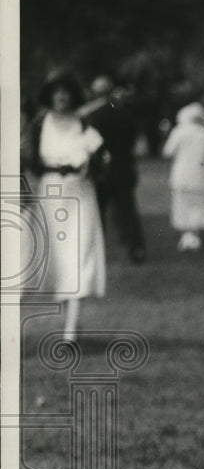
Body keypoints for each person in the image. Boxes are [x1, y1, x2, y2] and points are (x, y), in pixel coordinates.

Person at [22, 69, 108, 340]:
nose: (61, 96)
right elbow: (27, 158)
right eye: (56, 91)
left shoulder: (83, 124)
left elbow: (103, 156)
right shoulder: (40, 124)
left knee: (79, 255)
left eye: (66, 91)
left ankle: (70, 331)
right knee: (49, 259)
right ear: (49, 95)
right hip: (49, 195)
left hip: (79, 196)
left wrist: (91, 167)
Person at [80, 75, 147, 263]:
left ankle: (95, 251)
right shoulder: (124, 112)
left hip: (102, 171)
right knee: (127, 212)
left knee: (98, 212)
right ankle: (136, 248)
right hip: (124, 168)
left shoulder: (92, 116)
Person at [162, 101, 204, 252]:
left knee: (182, 204)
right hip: (201, 174)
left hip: (182, 173)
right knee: (199, 205)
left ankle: (186, 235)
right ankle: (194, 235)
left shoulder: (179, 131)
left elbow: (167, 151)